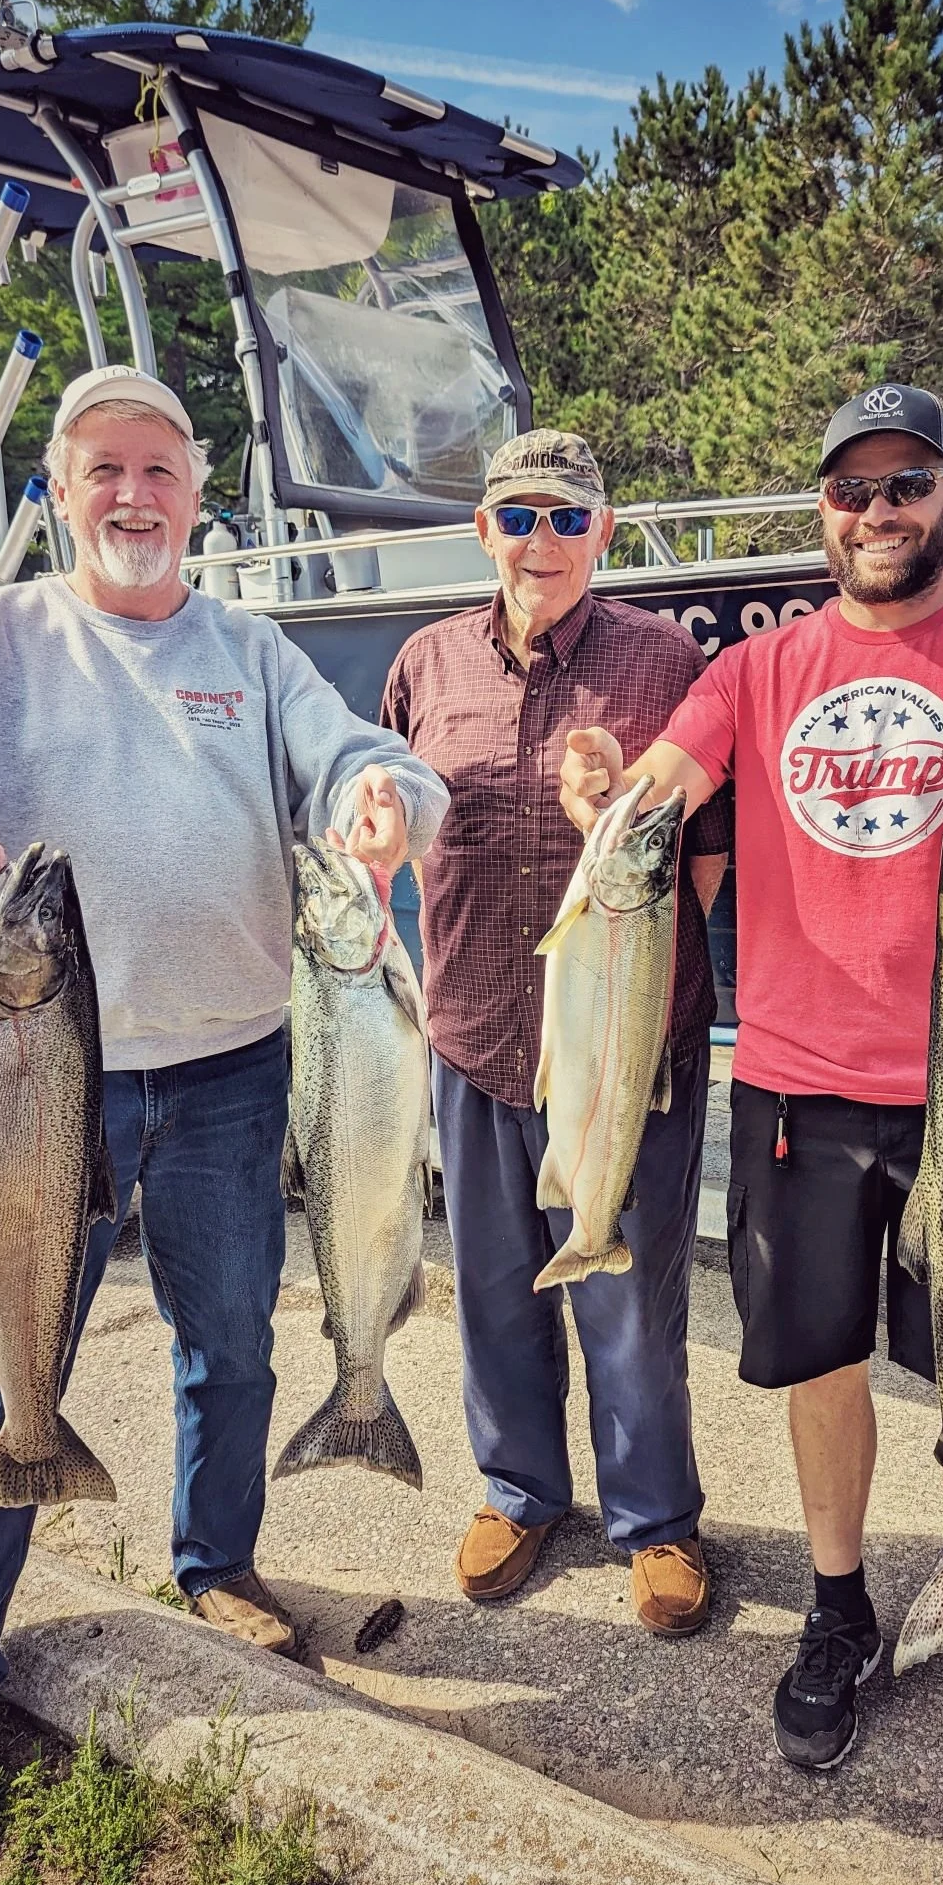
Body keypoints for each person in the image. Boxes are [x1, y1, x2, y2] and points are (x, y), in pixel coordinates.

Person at [0, 363, 448, 1854]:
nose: (134, 497)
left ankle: (213, 1561)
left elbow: (364, 757)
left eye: (161, 471)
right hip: (42, 1087)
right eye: (103, 471)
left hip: (232, 1074)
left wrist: (380, 801)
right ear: (55, 490)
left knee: (233, 1349)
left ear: (198, 495)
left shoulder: (248, 647)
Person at [559, 384, 943, 1813]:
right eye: (852, 489)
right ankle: (840, 1608)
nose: (877, 511)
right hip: (799, 1084)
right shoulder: (758, 673)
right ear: (822, 514)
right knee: (819, 1365)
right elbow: (659, 785)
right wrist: (607, 785)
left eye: (907, 483)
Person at [380, 429, 732, 1636]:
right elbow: (393, 820)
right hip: (475, 1030)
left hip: (628, 1051)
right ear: (482, 530)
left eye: (568, 518)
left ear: (606, 534)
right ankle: (520, 1490)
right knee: (490, 1287)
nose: (543, 540)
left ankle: (657, 1520)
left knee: (632, 1300)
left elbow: (713, 853)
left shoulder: (669, 659)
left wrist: (625, 824)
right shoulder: (423, 662)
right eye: (519, 515)